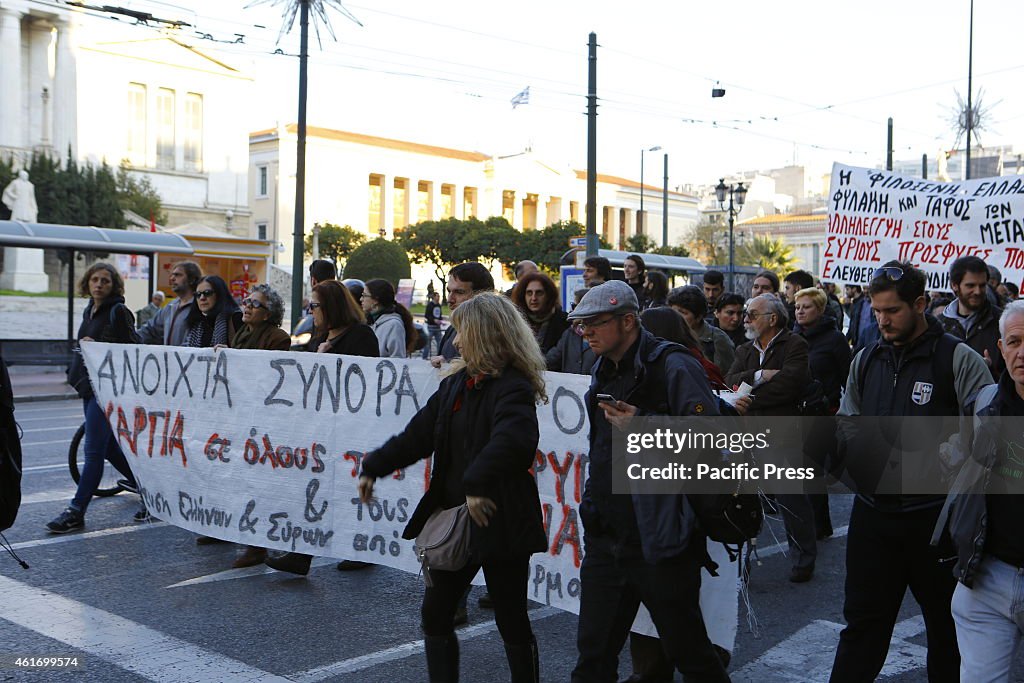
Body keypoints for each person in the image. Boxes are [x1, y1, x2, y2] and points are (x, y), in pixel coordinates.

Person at [358, 292, 548, 683]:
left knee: (510, 615)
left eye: (462, 332)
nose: (456, 342)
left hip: (501, 518)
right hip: (455, 517)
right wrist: (374, 466)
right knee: (436, 613)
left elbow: (514, 440)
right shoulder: (455, 385)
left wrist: (477, 482)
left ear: (485, 334)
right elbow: (417, 436)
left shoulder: (513, 387)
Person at [829, 261, 990, 682]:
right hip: (873, 518)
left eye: (892, 311)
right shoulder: (865, 359)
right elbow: (847, 422)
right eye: (876, 310)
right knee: (862, 627)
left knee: (945, 631)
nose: (882, 320)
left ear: (919, 304)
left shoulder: (959, 359)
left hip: (936, 523)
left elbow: (990, 432)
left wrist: (954, 451)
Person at [568, 281, 730, 683]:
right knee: (593, 657)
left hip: (661, 540)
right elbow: (601, 449)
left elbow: (712, 440)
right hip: (608, 537)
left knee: (690, 653)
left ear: (627, 321)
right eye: (580, 325)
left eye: (594, 323)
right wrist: (592, 507)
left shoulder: (674, 365)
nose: (585, 332)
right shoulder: (601, 367)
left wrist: (642, 424)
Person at [266, 280, 379, 576]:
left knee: (345, 490)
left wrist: (326, 358)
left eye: (314, 305)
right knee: (316, 489)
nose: (311, 311)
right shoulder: (323, 336)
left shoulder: (361, 336)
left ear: (332, 307)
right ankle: (301, 554)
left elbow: (364, 381)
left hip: (349, 429)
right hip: (323, 428)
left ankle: (361, 546)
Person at [937, 300, 1024, 681]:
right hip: (988, 578)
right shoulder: (986, 403)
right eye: (1014, 341)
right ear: (1000, 349)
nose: (1022, 352)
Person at [725, 293, 816, 582]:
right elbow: (730, 382)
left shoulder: (795, 344)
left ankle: (803, 559)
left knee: (792, 500)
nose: (745, 319)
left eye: (751, 314)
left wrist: (749, 394)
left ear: (772, 319)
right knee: (744, 499)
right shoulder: (744, 349)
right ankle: (742, 563)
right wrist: (762, 374)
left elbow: (790, 386)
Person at [46, 263, 140, 533]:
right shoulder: (90, 309)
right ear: (87, 283)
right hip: (90, 388)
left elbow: (134, 347)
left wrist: (101, 347)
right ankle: (148, 488)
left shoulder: (118, 311)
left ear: (114, 286)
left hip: (108, 392)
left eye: (105, 281)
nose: (99, 284)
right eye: (95, 280)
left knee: (94, 451)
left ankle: (76, 511)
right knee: (109, 448)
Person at [226, 283, 291, 568]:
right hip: (240, 416)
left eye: (255, 304)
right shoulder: (241, 333)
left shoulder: (277, 338)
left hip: (264, 421)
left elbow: (263, 374)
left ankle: (258, 545)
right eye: (247, 302)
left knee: (259, 483)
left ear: (268, 314)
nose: (248, 307)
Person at [793, 287, 851, 540]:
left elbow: (848, 377)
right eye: (797, 307)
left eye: (806, 307)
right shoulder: (792, 338)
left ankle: (819, 526)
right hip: (794, 412)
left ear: (820, 309)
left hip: (822, 413)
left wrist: (837, 407)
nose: (800, 311)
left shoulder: (835, 339)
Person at [938, 255, 1005, 381]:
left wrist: (987, 372)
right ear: (955, 286)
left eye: (982, 285)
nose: (978, 291)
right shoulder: (939, 325)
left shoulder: (1003, 322)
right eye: (970, 285)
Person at [431, 262, 495, 367]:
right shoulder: (452, 330)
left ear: (481, 296)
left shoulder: (494, 337)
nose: (450, 299)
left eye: (459, 292)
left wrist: (452, 367)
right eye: (449, 291)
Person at [669, 285, 735, 375]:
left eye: (683, 313)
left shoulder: (718, 339)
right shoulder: (669, 336)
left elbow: (725, 377)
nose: (676, 317)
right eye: (673, 312)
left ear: (698, 317)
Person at [138, 261, 202, 347]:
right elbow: (150, 330)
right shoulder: (170, 306)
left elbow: (194, 341)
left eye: (178, 275)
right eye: (172, 275)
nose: (172, 278)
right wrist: (129, 338)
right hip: (170, 358)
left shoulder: (200, 306)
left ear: (192, 279)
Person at [511, 272, 569, 354]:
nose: (534, 298)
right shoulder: (516, 323)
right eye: (529, 293)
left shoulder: (564, 322)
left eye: (539, 293)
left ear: (548, 295)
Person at [183, 276, 242, 350]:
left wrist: (229, 352)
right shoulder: (197, 324)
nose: (202, 298)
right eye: (198, 294)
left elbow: (246, 353)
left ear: (219, 294)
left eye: (207, 293)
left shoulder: (235, 318)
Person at [545, 289, 596, 375]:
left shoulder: (603, 335)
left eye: (574, 306)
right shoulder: (569, 333)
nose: (572, 311)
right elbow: (552, 358)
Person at [362, 279, 417, 358]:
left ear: (376, 300)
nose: (361, 299)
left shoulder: (394, 325)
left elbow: (397, 359)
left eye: (364, 295)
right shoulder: (370, 322)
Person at [423, 291, 444, 359]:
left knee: (440, 343)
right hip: (431, 327)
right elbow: (426, 315)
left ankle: (439, 357)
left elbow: (439, 315)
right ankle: (424, 357)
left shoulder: (438, 305)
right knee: (427, 344)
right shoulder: (430, 305)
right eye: (437, 296)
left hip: (438, 327)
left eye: (439, 296)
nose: (438, 298)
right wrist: (433, 320)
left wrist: (441, 320)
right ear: (434, 297)